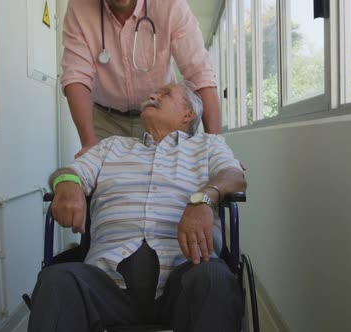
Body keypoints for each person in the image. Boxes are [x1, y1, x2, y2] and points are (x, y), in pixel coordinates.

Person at [28, 81, 246, 332]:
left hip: (184, 279)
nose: (152, 94)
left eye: (165, 94)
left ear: (189, 114)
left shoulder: (208, 145)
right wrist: (67, 184)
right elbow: (70, 172)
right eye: (153, 92)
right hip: (105, 283)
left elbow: (234, 176)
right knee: (56, 281)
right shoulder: (110, 147)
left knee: (215, 278)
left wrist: (205, 198)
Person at [61, 0, 222, 157]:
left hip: (161, 119)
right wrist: (89, 143)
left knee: (168, 180)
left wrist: (215, 148)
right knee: (108, 181)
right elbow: (76, 76)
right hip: (106, 120)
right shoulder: (79, 5)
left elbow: (199, 72)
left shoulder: (171, 4)